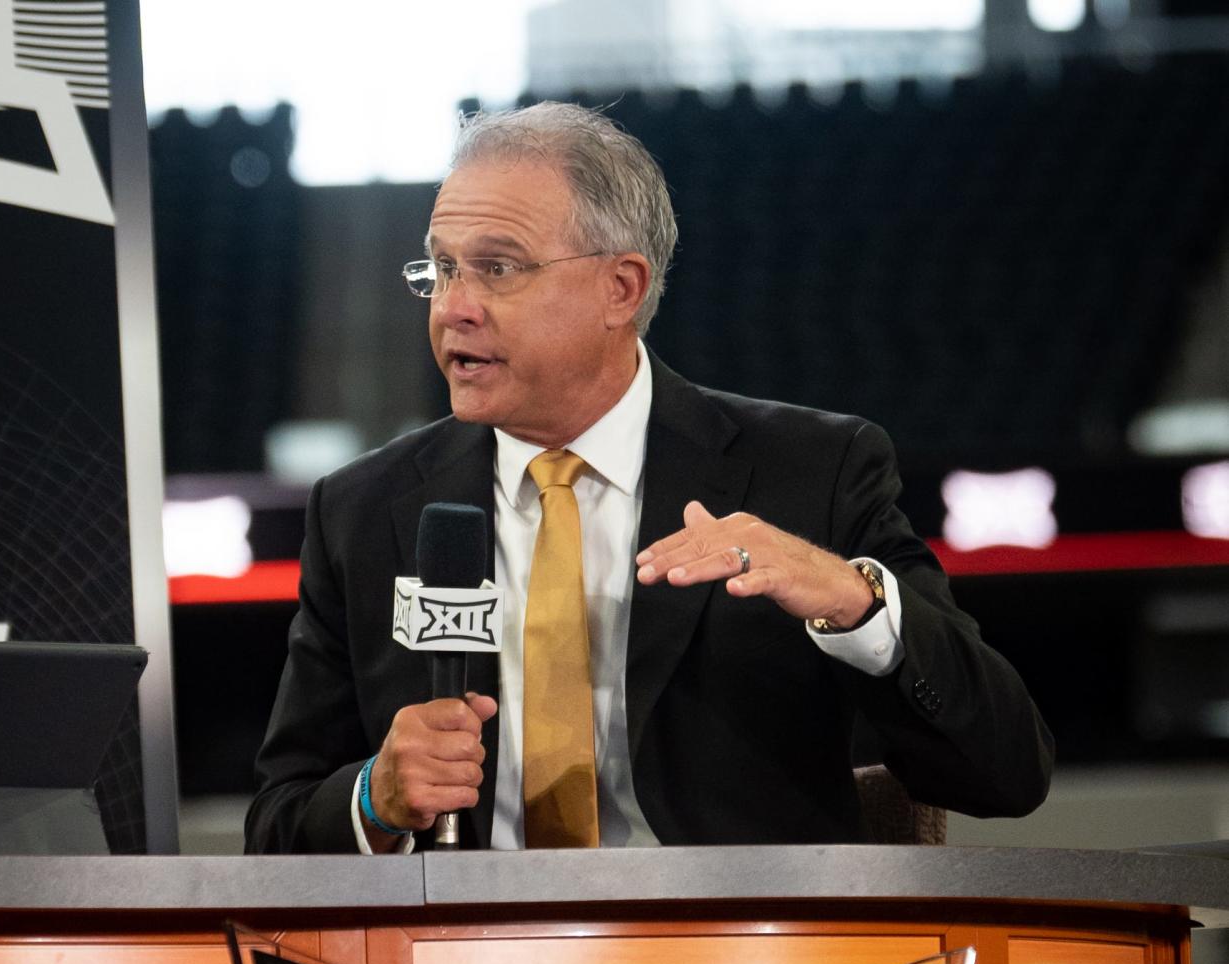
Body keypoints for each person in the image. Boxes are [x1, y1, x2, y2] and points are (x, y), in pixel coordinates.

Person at [245, 101, 1052, 855]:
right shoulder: (362, 509)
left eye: (496, 269)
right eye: (441, 269)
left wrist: (853, 600)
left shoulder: (811, 473)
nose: (454, 307)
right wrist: (372, 800)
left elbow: (1007, 773)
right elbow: (276, 825)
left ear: (619, 288)